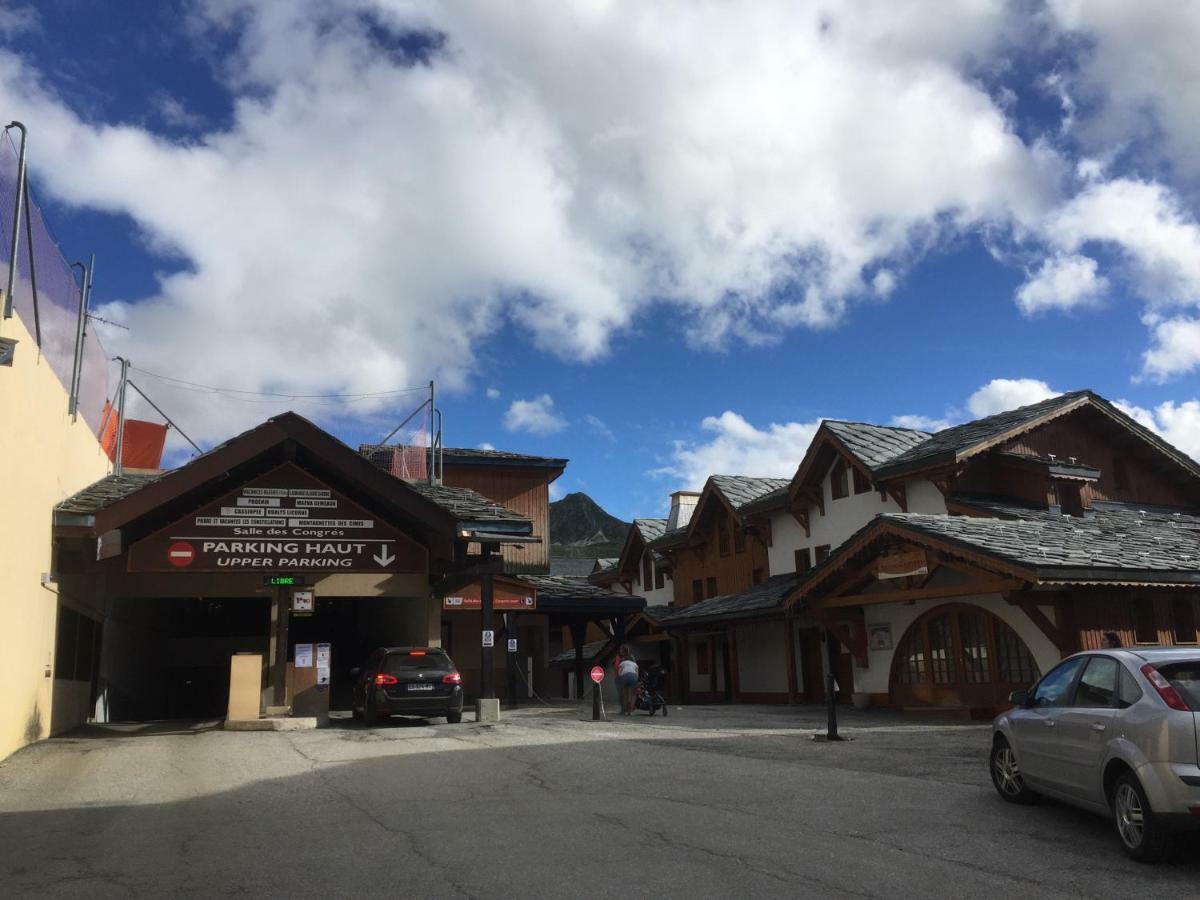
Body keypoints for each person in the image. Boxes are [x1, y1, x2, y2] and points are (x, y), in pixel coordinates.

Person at [617, 646, 639, 716]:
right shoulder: (635, 664)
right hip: (633, 677)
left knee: (625, 694)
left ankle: (626, 710)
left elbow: (619, 673)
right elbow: (637, 674)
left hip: (625, 677)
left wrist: (621, 679)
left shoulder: (622, 663)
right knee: (633, 694)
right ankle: (631, 709)